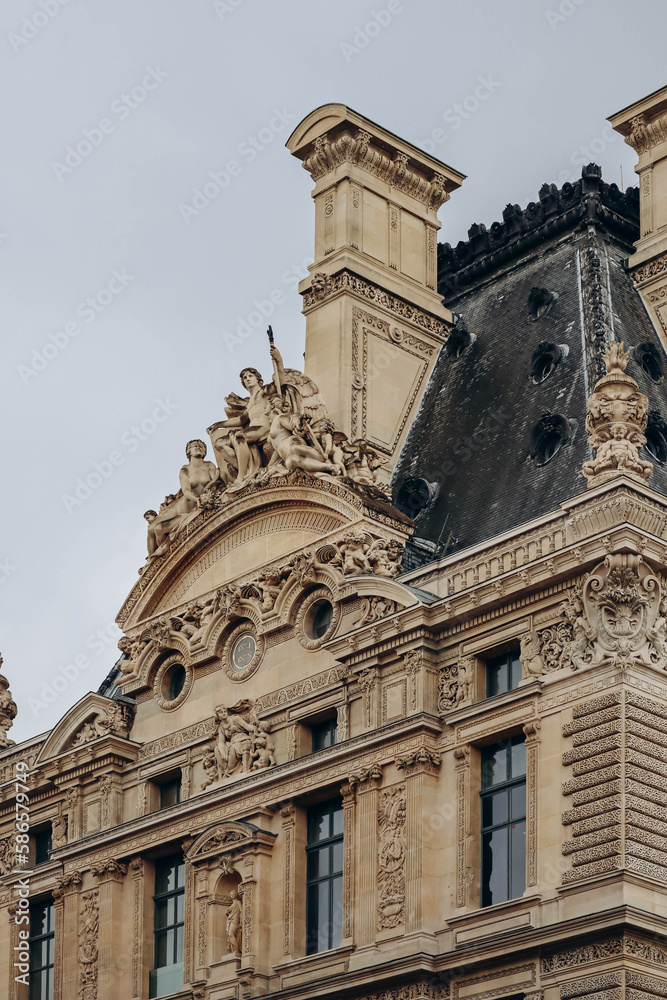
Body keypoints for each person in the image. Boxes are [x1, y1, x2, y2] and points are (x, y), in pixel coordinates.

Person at [146, 440, 218, 559]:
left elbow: (214, 483)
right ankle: (152, 561)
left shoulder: (209, 465)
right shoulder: (185, 470)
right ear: (188, 451)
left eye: (201, 446)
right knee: (151, 529)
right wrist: (198, 499)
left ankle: (164, 555)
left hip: (193, 507)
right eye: (195, 446)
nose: (199, 448)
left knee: (159, 529)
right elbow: (186, 491)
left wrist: (207, 496)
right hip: (182, 506)